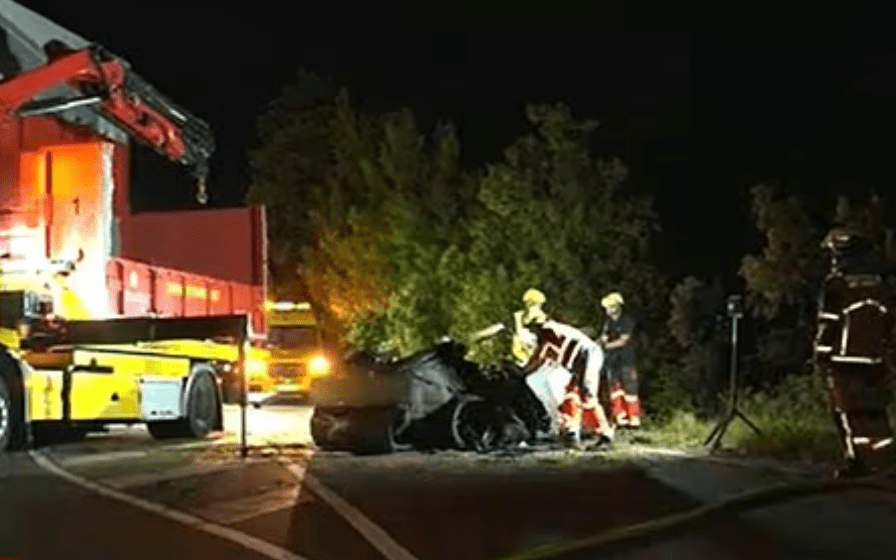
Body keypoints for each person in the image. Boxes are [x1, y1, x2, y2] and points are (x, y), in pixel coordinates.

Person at [814, 225, 896, 478]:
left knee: (847, 415)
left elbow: (828, 323)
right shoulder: (882, 286)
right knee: (875, 413)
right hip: (876, 360)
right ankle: (885, 462)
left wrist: (820, 356)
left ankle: (857, 463)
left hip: (843, 361)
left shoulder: (836, 285)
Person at [521, 305, 614, 449]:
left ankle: (604, 434)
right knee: (571, 394)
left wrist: (523, 371)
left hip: (587, 356)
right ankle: (572, 431)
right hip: (579, 360)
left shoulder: (548, 331)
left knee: (587, 395)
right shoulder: (553, 330)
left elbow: (540, 356)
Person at [599, 292, 641, 427]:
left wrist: (607, 345)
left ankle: (633, 417)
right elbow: (604, 337)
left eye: (609, 307)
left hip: (626, 359)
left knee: (630, 389)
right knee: (615, 389)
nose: (607, 311)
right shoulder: (608, 323)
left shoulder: (626, 321)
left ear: (616, 307)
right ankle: (620, 416)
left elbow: (623, 340)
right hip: (612, 361)